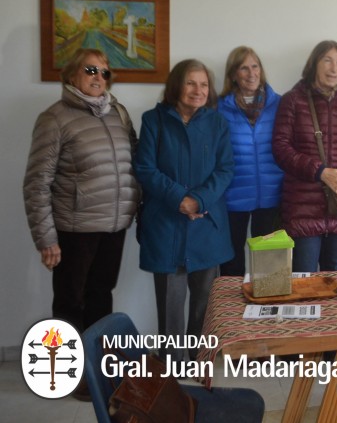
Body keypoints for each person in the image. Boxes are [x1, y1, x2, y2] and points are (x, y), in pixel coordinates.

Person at [23, 48, 139, 333]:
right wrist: (45, 238)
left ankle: (97, 368)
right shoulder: (54, 118)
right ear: (72, 74)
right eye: (90, 70)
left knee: (102, 296)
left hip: (113, 227)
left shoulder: (119, 114)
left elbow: (135, 163)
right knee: (70, 303)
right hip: (75, 228)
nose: (98, 77)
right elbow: (37, 182)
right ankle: (68, 372)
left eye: (104, 72)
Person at [134, 59, 234, 363]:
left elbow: (225, 169)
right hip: (166, 225)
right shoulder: (153, 120)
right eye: (191, 83)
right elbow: (145, 167)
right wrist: (180, 199)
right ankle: (171, 366)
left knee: (205, 306)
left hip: (207, 225)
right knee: (170, 306)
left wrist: (198, 201)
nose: (198, 90)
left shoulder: (218, 123)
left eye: (204, 84)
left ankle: (200, 362)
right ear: (176, 85)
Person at [272, 40, 337, 272]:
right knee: (304, 279)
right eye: (327, 60)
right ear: (314, 63)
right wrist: (321, 172)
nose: (334, 68)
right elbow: (281, 148)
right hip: (303, 208)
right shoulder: (292, 100)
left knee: (334, 278)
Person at [217, 46, 285, 276]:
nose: (251, 73)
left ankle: (269, 312)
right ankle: (230, 313)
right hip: (232, 197)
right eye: (243, 68)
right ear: (233, 74)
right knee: (231, 266)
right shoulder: (219, 108)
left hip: (271, 196)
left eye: (255, 66)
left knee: (270, 269)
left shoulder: (279, 104)